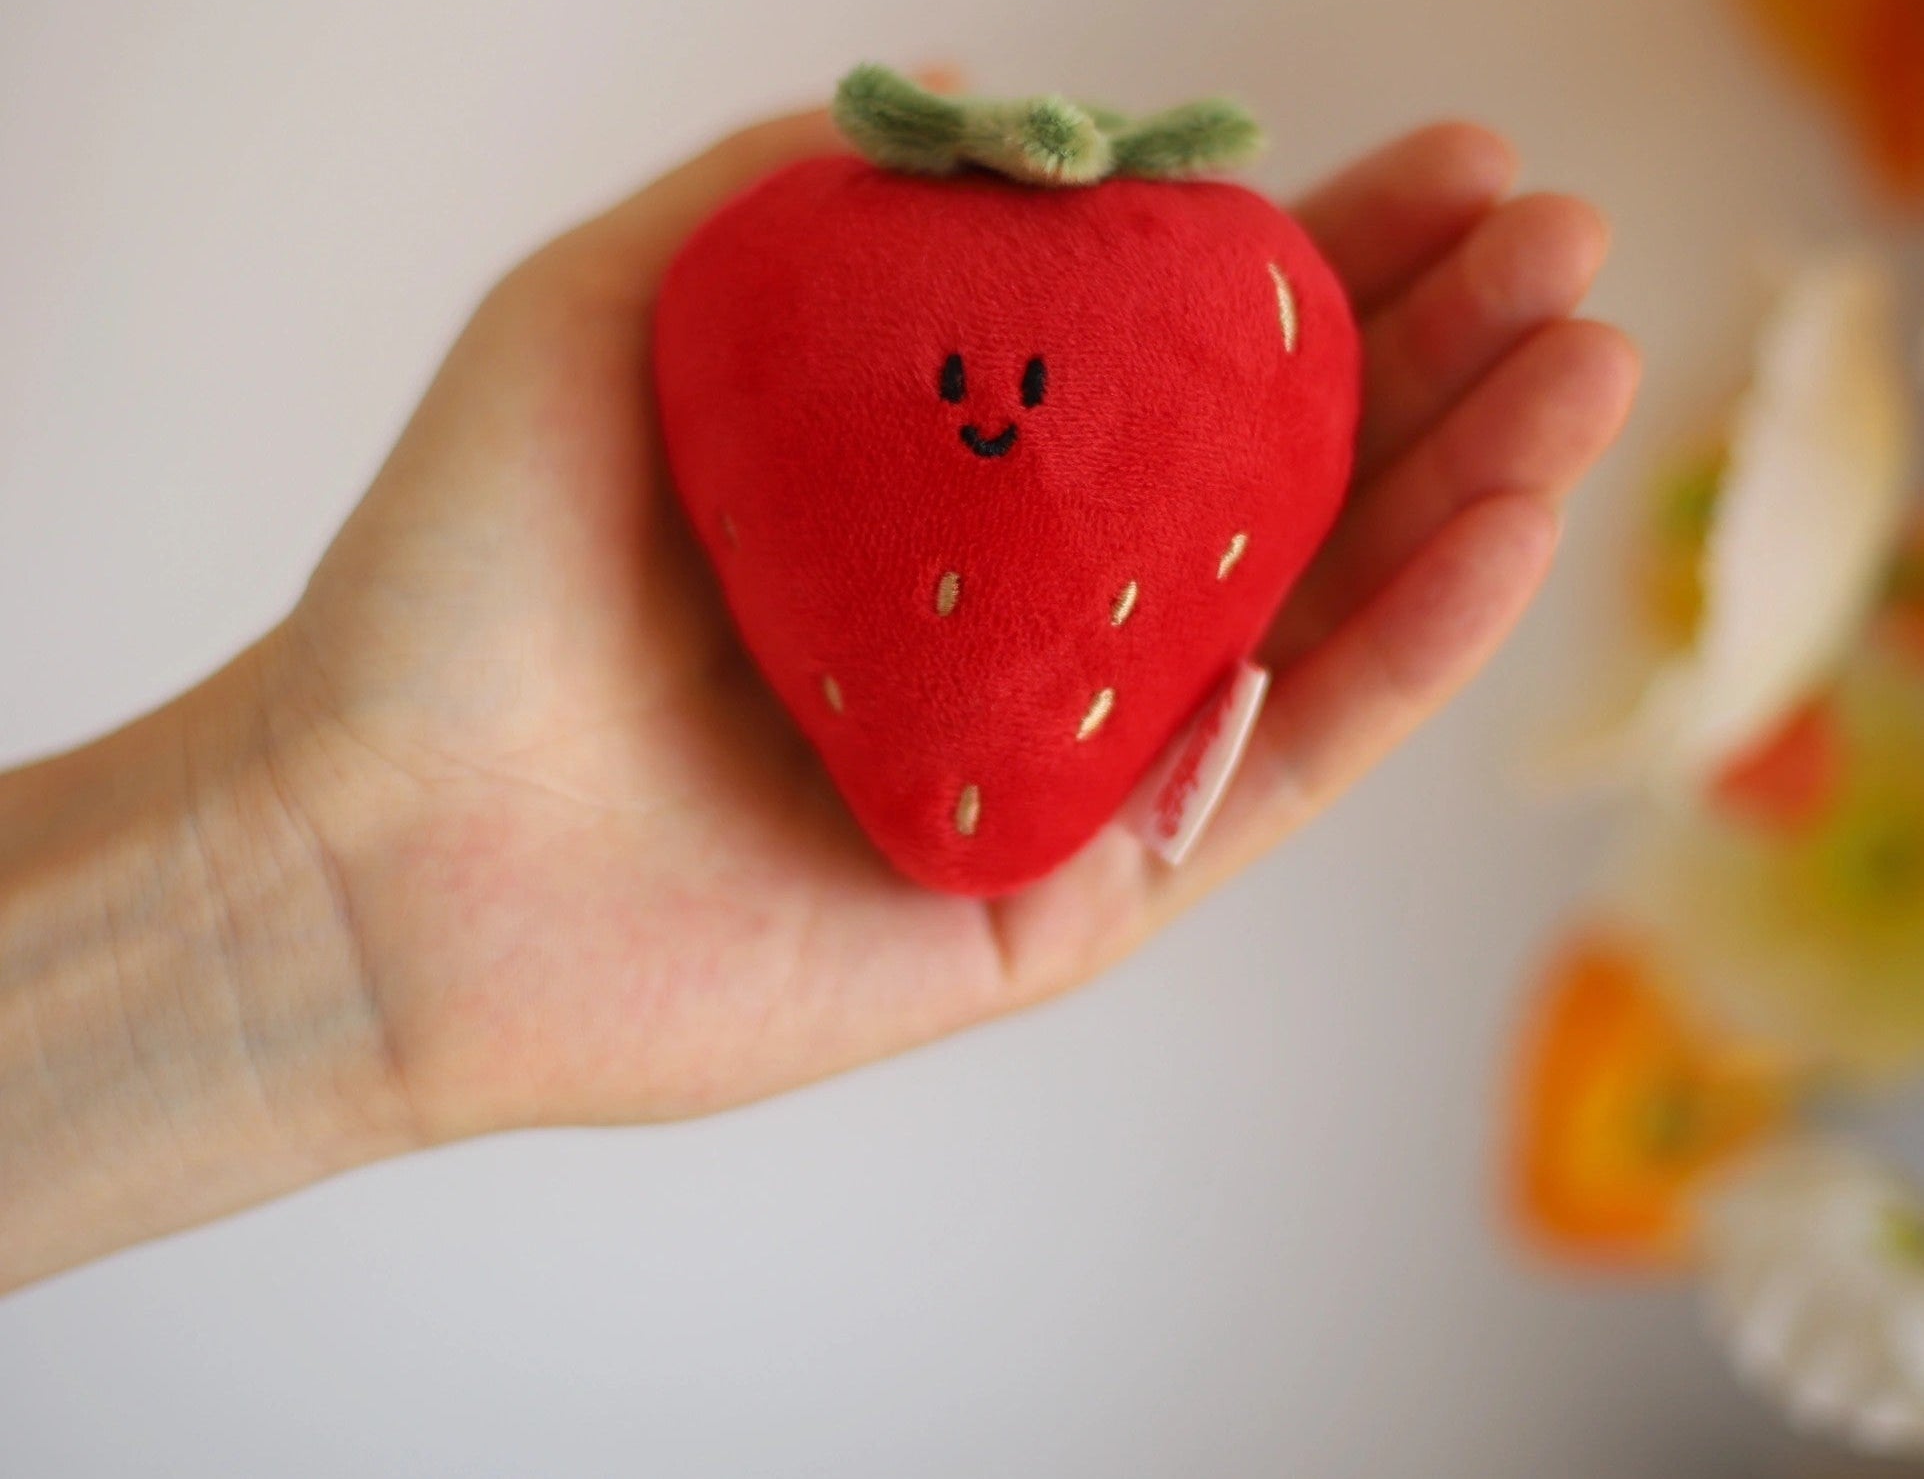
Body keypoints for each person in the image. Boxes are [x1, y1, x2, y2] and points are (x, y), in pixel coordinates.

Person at [0, 101, 1637, 1292]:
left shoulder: (792, 262)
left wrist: (303, 909)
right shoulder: (772, 271)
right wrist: (309, 900)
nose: (997, 407)